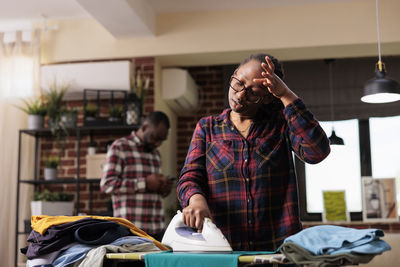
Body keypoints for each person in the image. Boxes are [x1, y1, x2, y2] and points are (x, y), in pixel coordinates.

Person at [177, 54, 331, 251]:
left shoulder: (281, 125)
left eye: (253, 92)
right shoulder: (208, 128)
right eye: (238, 83)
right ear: (233, 75)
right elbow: (190, 177)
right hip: (224, 249)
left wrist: (285, 94)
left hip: (277, 252)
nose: (240, 95)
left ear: (267, 98)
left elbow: (317, 152)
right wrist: (196, 200)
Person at [101, 111, 173, 241]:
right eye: (155, 138)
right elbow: (107, 185)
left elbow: (152, 191)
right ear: (144, 127)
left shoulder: (156, 154)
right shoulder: (120, 147)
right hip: (129, 232)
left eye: (161, 140)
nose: (158, 144)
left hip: (156, 231)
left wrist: (163, 188)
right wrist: (144, 183)